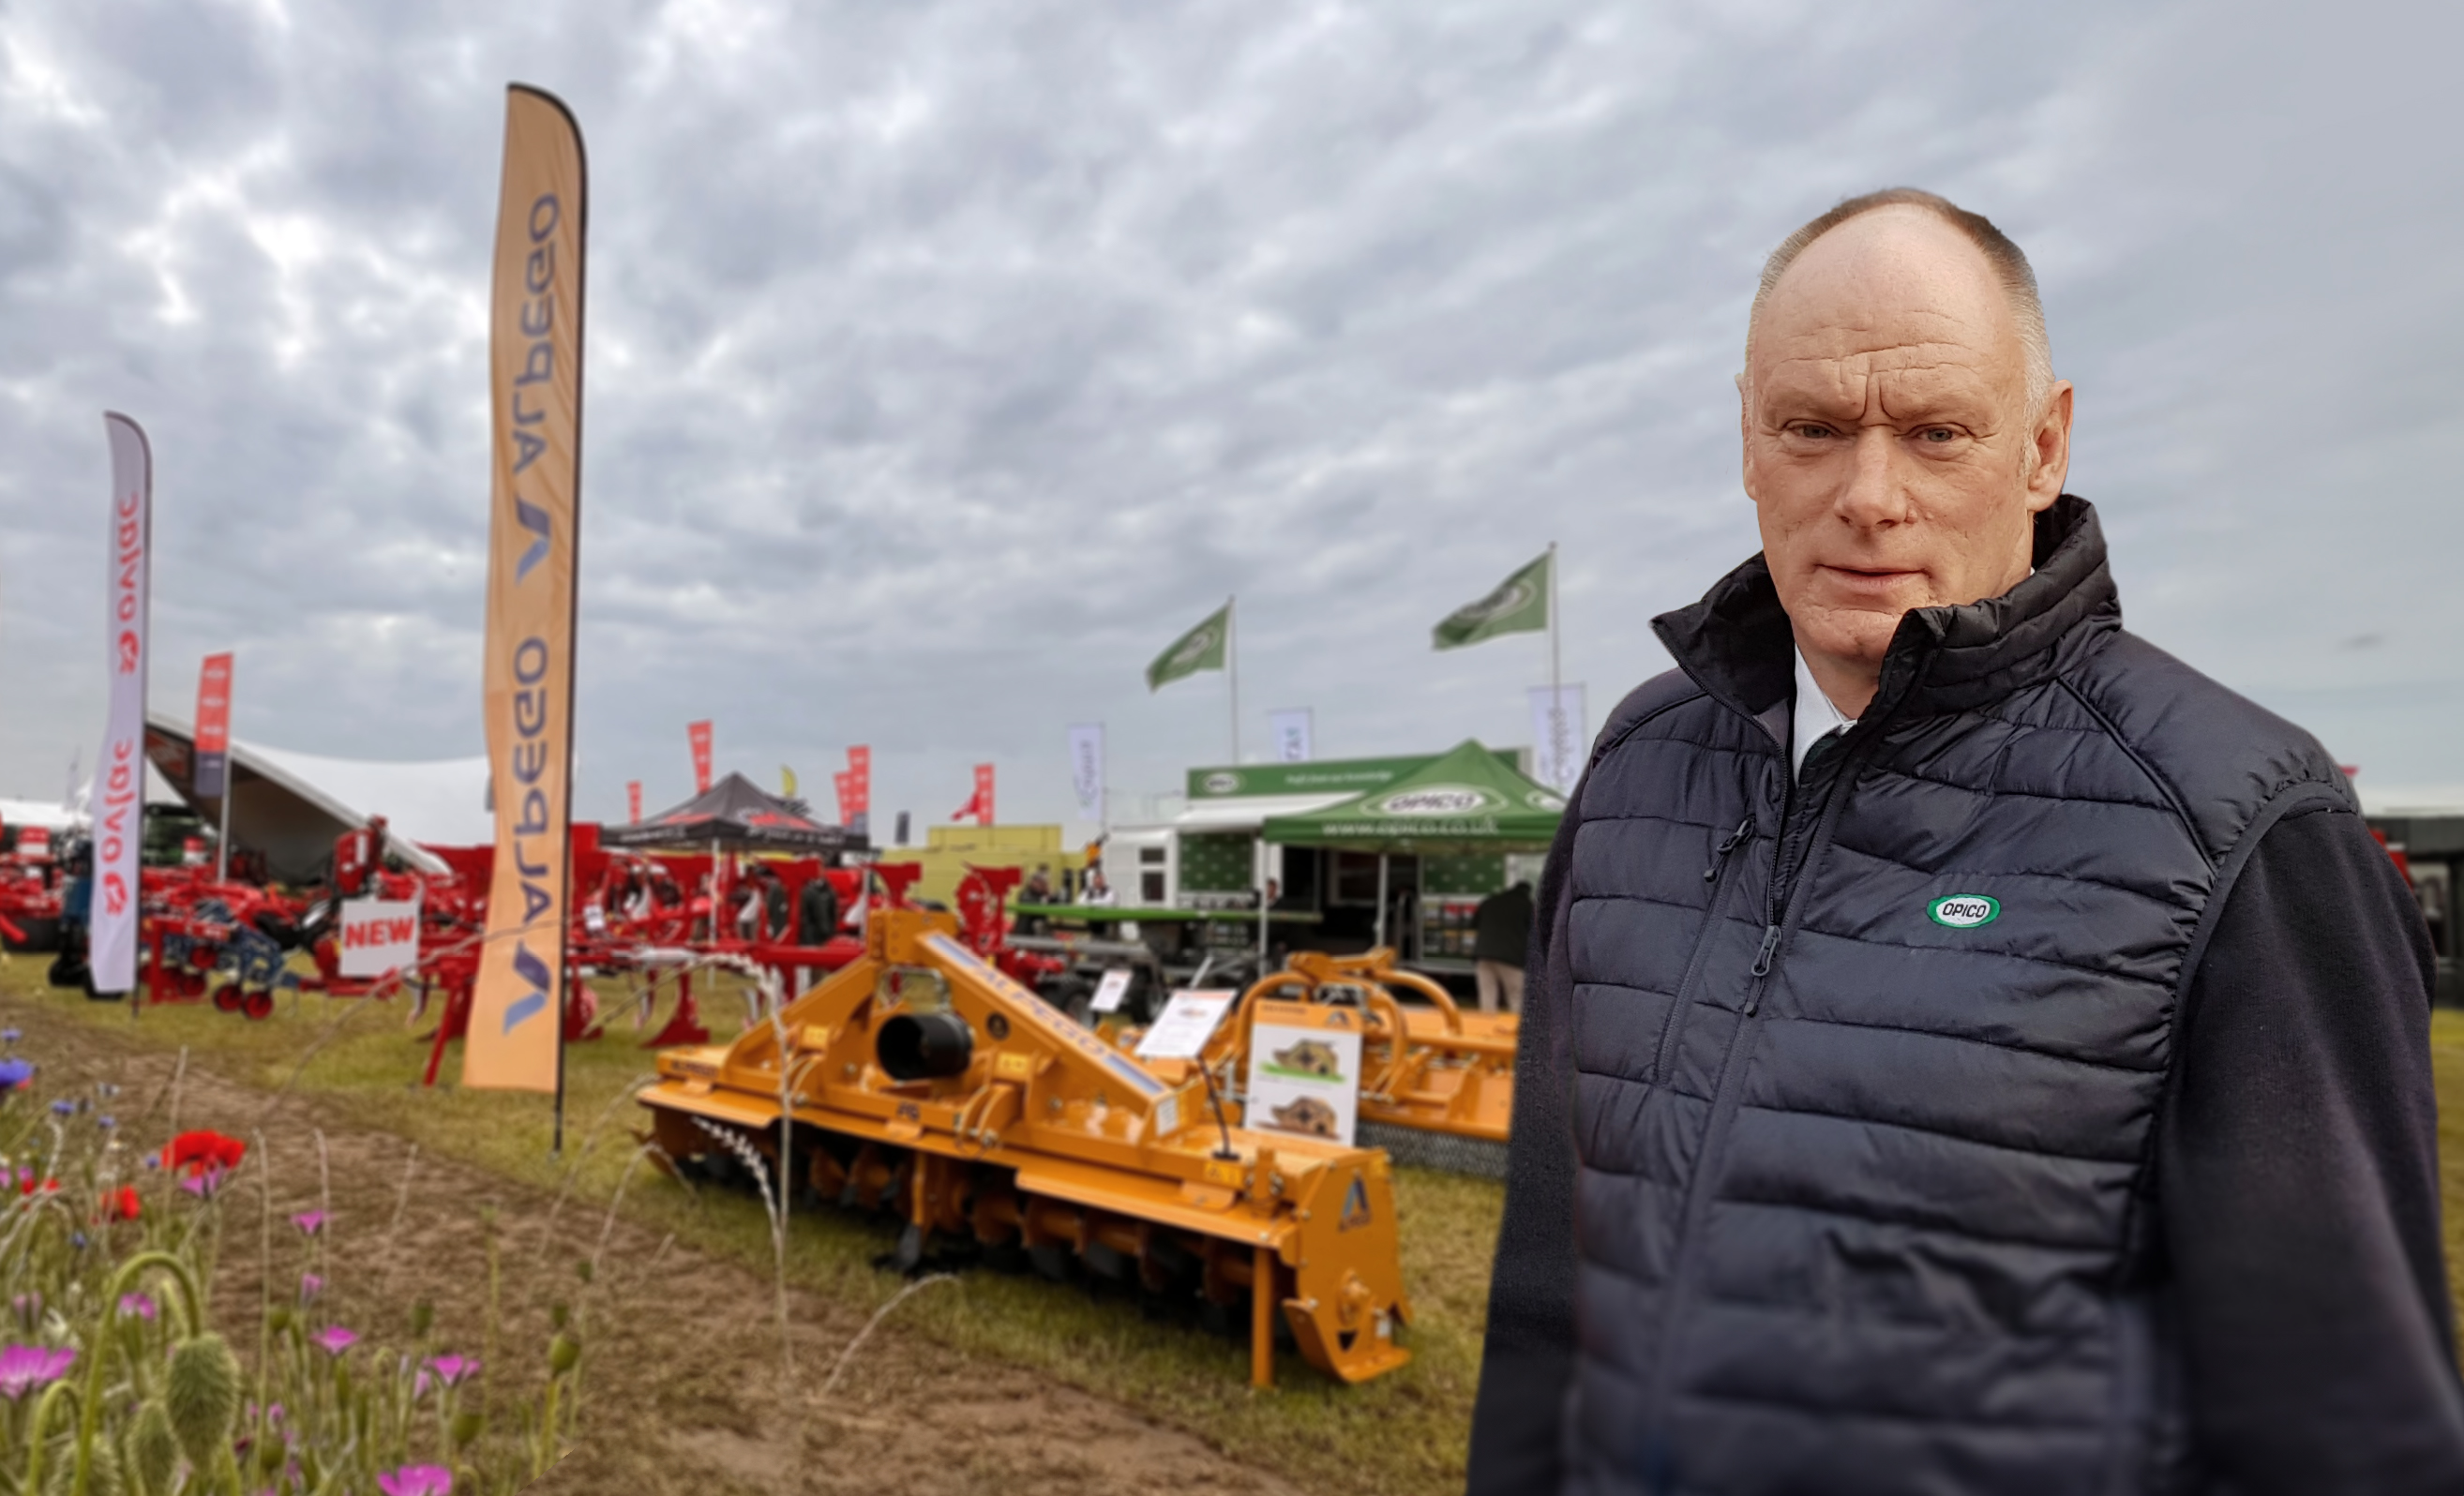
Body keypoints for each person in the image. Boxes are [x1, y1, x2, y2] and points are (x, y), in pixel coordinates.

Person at [1469, 188, 2464, 1494]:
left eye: (1936, 432)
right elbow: (1554, 1286)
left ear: (2044, 447)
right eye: (1812, 430)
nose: (1868, 496)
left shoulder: (2239, 830)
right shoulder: (1640, 766)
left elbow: (2344, 1436)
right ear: (1748, 441)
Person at [1470, 880, 1532, 1014]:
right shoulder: (1527, 905)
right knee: (1516, 995)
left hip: (1484, 954)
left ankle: (1486, 1029)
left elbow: (1473, 924)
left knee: (1487, 994)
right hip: (1511, 958)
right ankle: (1516, 1030)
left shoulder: (1489, 902)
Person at [798, 870, 841, 947]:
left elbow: (833, 915)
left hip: (825, 936)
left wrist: (830, 932)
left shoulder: (829, 891)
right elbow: (802, 915)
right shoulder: (804, 890)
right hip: (808, 937)